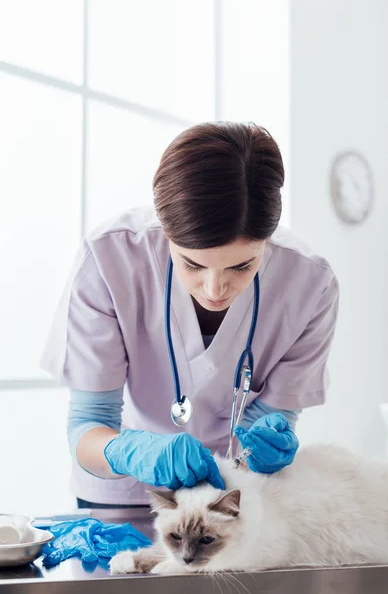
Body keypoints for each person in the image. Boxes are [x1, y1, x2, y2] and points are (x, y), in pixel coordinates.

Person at [41, 122, 339, 508]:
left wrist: (266, 444)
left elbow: (271, 420)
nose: (215, 290)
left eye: (241, 266)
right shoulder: (109, 259)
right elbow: (88, 423)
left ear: (267, 241)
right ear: (166, 234)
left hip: (230, 499)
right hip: (122, 493)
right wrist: (129, 452)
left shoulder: (309, 284)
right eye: (193, 265)